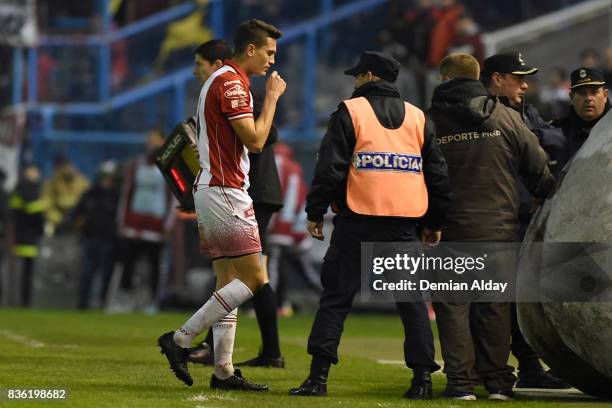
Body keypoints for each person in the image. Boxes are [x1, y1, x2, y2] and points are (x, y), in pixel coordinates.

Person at [289, 51, 451, 399]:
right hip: (404, 223)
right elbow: (437, 175)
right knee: (412, 303)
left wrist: (315, 212)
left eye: (357, 75)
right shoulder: (418, 117)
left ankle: (318, 379)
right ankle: (422, 381)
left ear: (369, 76)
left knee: (336, 299)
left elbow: (330, 168)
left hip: (358, 219)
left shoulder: (351, 112)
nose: (354, 81)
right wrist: (434, 221)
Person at [156, 19, 286, 392]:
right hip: (227, 190)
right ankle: (179, 340)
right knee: (255, 278)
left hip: (213, 188)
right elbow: (257, 140)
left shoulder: (224, 80)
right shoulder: (231, 82)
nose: (271, 63)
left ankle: (223, 371)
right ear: (250, 49)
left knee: (227, 279)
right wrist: (273, 97)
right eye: (269, 52)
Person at [429, 53, 555, 401]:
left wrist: (427, 223)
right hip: (499, 230)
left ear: (444, 80)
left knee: (453, 308)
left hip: (446, 232)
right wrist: (542, 194)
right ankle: (498, 383)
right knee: (494, 308)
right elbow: (540, 171)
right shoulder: (508, 118)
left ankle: (460, 384)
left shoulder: (427, 122)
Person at [186, 39, 285, 369]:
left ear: (216, 63)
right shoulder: (224, 91)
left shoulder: (234, 90)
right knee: (229, 275)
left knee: (252, 276)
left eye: (199, 64)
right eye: (269, 53)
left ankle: (182, 340)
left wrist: (270, 100)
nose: (195, 71)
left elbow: (260, 139)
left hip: (250, 191)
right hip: (226, 190)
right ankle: (221, 360)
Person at [481, 52, 571, 389]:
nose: (525, 84)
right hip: (494, 217)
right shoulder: (480, 112)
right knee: (491, 300)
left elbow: (555, 140)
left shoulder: (525, 112)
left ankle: (525, 367)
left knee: (514, 298)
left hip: (519, 217)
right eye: (517, 77)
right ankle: (491, 370)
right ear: (496, 79)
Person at [117, 129, 176, 311]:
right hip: (134, 225)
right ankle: (125, 299)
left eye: (154, 140)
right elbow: (127, 193)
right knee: (128, 263)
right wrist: (122, 220)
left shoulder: (169, 165)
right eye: (148, 140)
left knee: (155, 267)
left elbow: (173, 197)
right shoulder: (136, 165)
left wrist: (168, 224)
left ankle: (152, 302)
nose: (150, 144)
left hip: (156, 227)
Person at [68, 161, 120, 310]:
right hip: (90, 239)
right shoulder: (90, 194)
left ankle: (103, 303)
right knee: (87, 273)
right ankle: (82, 304)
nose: (106, 181)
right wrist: (79, 227)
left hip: (108, 241)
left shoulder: (116, 196)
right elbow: (78, 214)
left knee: (105, 275)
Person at [549, 67, 610, 175]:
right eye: (582, 93)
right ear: (571, 97)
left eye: (594, 92)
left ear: (605, 95)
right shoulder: (556, 134)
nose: (588, 98)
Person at [9, 163, 47, 307]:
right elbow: (31, 211)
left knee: (26, 271)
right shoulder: (26, 189)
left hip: (26, 235)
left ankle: (24, 300)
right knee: (26, 271)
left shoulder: (24, 188)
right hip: (26, 235)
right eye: (34, 171)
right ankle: (24, 300)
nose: (36, 174)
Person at [42, 154, 89, 236]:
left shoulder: (82, 182)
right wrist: (58, 219)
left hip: (78, 224)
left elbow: (87, 203)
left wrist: (79, 220)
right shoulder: (52, 183)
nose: (68, 169)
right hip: (59, 225)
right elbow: (47, 204)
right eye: (63, 166)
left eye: (68, 165)